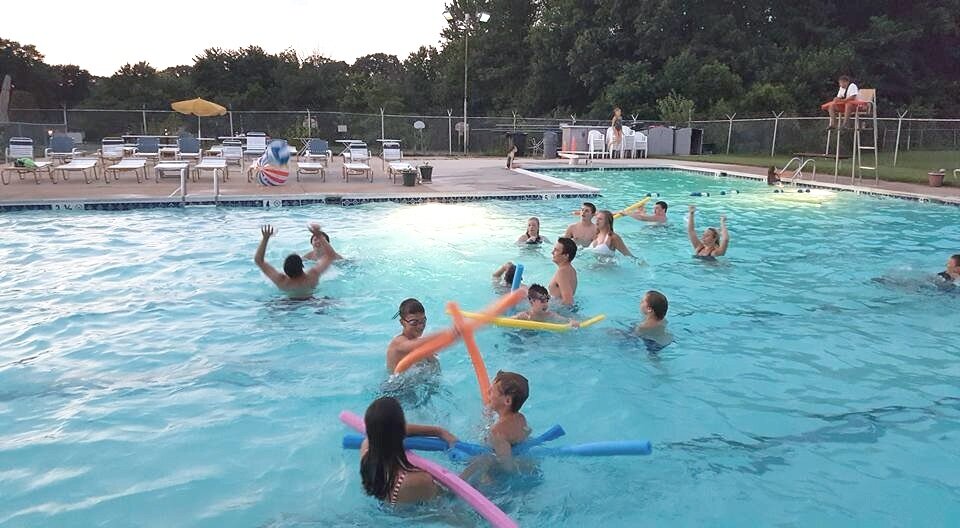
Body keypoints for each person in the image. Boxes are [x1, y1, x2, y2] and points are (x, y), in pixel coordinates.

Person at [359, 396, 457, 504]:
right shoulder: (417, 480)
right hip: (416, 515)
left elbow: (386, 430)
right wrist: (476, 464)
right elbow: (451, 496)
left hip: (387, 504)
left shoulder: (366, 448)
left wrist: (439, 432)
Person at [463, 371, 531, 479]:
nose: (487, 391)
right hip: (522, 456)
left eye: (492, 392)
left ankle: (453, 488)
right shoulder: (521, 418)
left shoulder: (497, 431)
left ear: (507, 401)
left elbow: (506, 465)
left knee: (475, 462)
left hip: (503, 473)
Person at [254, 224, 336, 299]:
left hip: (289, 303)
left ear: (284, 270)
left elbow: (259, 260)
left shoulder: (281, 280)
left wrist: (265, 238)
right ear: (302, 266)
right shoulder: (311, 276)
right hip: (310, 301)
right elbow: (331, 256)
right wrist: (319, 235)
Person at [386, 298, 452, 373]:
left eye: (423, 321)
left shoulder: (420, 344)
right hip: (397, 384)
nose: (420, 326)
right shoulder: (398, 342)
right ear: (402, 322)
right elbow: (411, 345)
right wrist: (449, 333)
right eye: (414, 322)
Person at [513, 284, 579, 326]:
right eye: (542, 300)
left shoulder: (550, 315)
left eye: (547, 299)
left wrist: (572, 322)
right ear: (532, 302)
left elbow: (566, 320)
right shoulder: (524, 316)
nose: (545, 304)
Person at [549, 237, 578, 306]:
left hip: (558, 312)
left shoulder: (562, 272)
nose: (552, 252)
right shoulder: (571, 270)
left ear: (566, 256)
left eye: (556, 250)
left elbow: (568, 301)